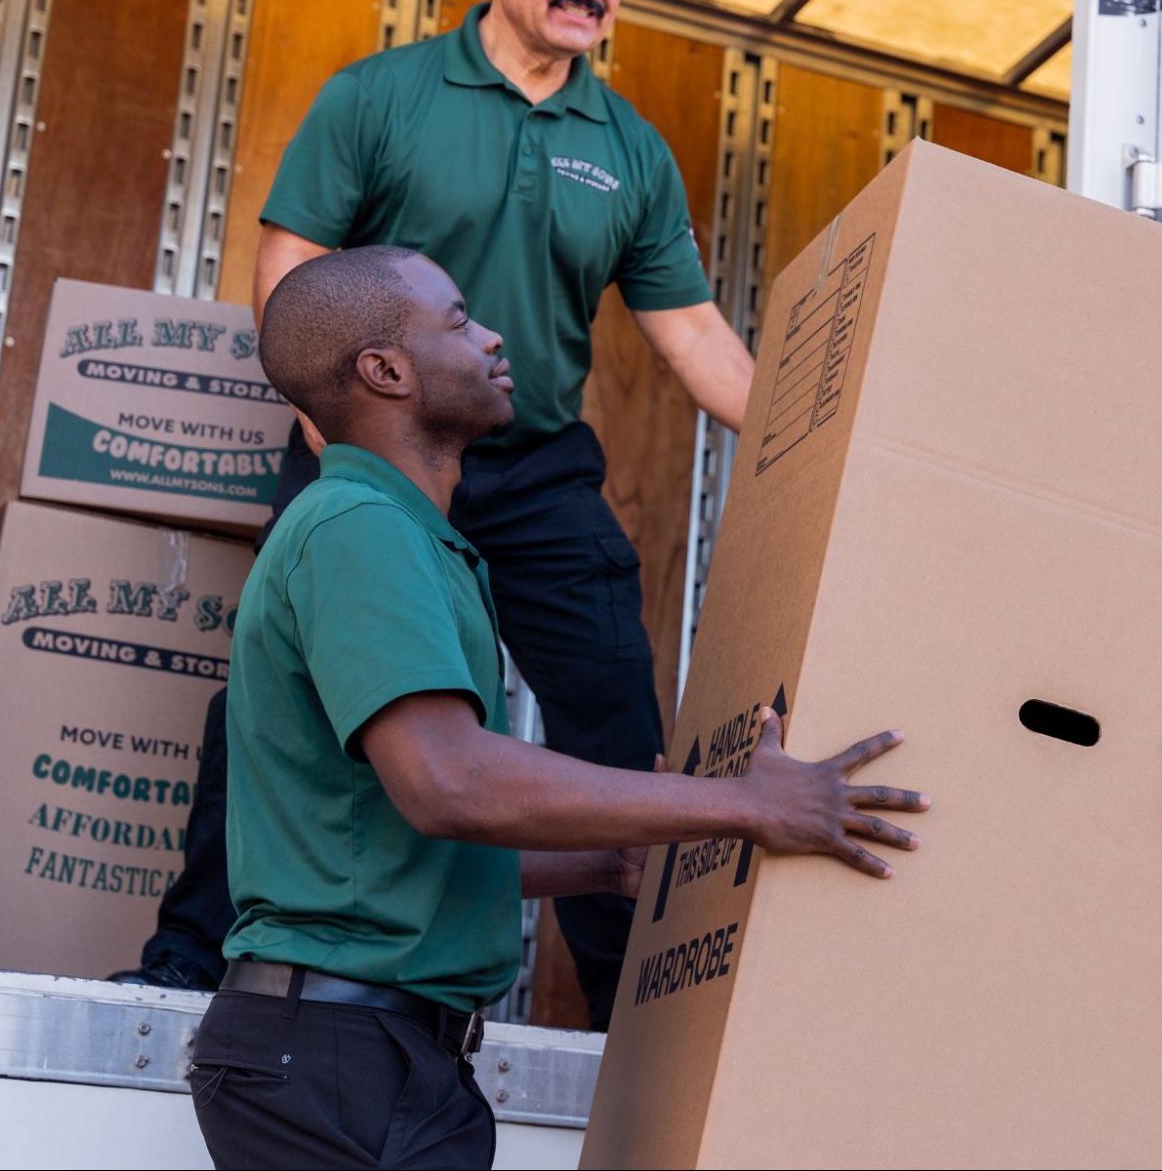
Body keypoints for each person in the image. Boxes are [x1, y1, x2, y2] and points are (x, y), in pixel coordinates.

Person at [118, 0, 755, 1024]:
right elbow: (290, 275)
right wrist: (343, 452)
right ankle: (191, 962)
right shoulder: (381, 98)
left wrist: (822, 443)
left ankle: (640, 1014)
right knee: (269, 701)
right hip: (374, 450)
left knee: (616, 709)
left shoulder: (628, 151)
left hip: (536, 462)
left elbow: (698, 339)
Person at [190, 246, 927, 1169]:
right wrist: (750, 802)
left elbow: (379, 848)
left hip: (369, 1054)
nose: (493, 335)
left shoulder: (406, 538)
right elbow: (450, 784)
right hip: (340, 1056)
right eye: (458, 320)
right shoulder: (359, 529)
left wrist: (606, 858)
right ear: (385, 371)